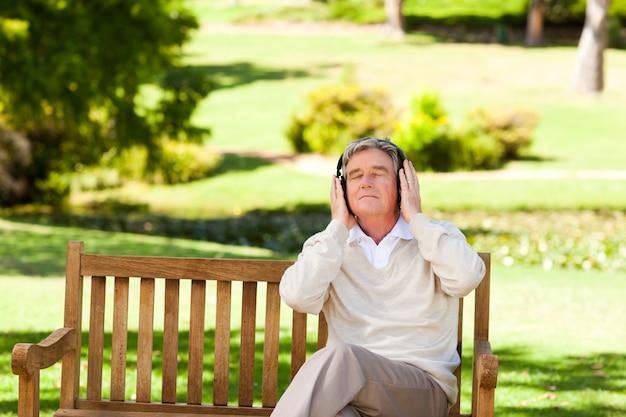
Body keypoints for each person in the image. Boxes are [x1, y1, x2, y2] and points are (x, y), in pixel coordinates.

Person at [271, 137, 486, 417]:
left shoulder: (435, 236)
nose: (366, 181)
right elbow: (297, 296)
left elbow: (466, 278)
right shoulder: (330, 245)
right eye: (355, 175)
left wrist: (416, 219)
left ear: (402, 185)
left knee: (343, 357)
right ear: (342, 188)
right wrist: (337, 228)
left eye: (378, 173)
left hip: (421, 394)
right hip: (351, 396)